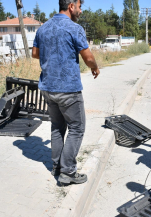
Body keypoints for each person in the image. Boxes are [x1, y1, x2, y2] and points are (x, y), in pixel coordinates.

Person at [32, 0, 100, 185]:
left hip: (47, 87)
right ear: (71, 6)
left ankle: (56, 167)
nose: (80, 10)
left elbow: (35, 54)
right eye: (79, 6)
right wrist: (95, 67)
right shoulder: (74, 28)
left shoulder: (42, 28)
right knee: (77, 128)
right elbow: (88, 57)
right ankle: (68, 172)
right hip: (68, 89)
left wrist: (51, 51)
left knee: (57, 127)